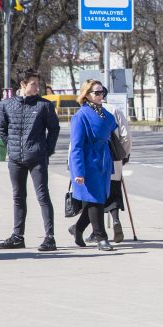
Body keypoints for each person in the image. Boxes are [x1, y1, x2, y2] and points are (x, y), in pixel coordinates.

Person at [0, 68, 60, 251]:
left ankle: (50, 237)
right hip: (15, 159)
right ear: (23, 84)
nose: (37, 87)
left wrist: (47, 150)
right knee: (18, 196)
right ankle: (17, 236)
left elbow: (54, 129)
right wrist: (11, 146)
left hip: (37, 157)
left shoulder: (44, 105)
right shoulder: (5, 105)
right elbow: (0, 128)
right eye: (33, 84)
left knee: (43, 196)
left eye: (38, 84)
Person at [67, 79, 117, 251]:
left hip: (103, 160)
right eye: (96, 92)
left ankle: (77, 228)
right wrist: (78, 171)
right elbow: (76, 147)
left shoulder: (105, 113)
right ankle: (101, 237)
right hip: (89, 162)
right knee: (95, 200)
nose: (100, 95)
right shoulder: (81, 116)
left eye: (102, 91)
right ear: (86, 95)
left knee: (97, 199)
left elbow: (111, 126)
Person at [87, 100, 131, 243]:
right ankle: (116, 220)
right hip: (114, 156)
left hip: (93, 159)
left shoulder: (86, 111)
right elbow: (126, 135)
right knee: (114, 191)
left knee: (94, 196)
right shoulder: (114, 110)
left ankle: (96, 231)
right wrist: (123, 154)